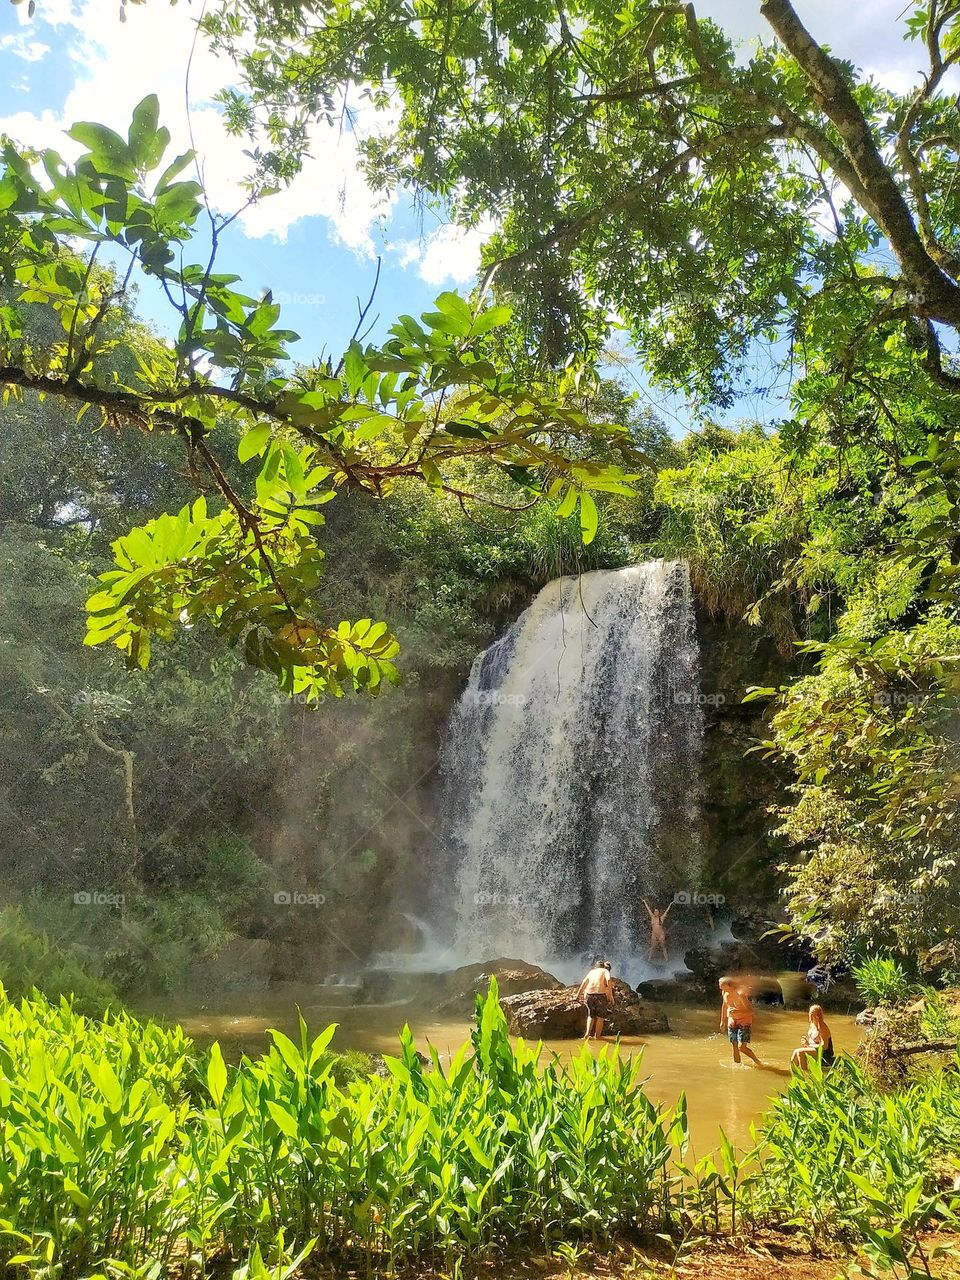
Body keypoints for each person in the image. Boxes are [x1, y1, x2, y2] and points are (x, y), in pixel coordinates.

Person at [718, 975, 762, 1067]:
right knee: (734, 1045)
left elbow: (751, 1011)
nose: (719, 986)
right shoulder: (724, 992)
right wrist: (722, 1021)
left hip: (744, 1020)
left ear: (729, 985)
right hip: (732, 1020)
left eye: (722, 984)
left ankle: (759, 1063)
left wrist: (736, 1011)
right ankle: (737, 1066)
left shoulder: (740, 994)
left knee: (741, 1047)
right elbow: (724, 1005)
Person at [576, 959, 613, 1040]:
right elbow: (609, 980)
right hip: (600, 995)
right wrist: (609, 995)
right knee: (600, 1017)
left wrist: (578, 996)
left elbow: (584, 982)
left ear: (595, 967)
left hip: (589, 995)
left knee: (591, 1015)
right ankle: (597, 1036)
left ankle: (587, 1034)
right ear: (603, 967)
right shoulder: (605, 971)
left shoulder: (592, 971)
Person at [791, 1004, 835, 1071]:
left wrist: (809, 1045)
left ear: (818, 1016)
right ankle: (793, 1073)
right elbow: (812, 1040)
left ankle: (806, 1075)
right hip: (814, 1049)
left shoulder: (822, 1027)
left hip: (824, 1053)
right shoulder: (812, 1024)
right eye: (810, 1013)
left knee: (800, 1052)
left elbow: (825, 1046)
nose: (810, 1015)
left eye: (812, 1013)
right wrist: (806, 1043)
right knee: (795, 1051)